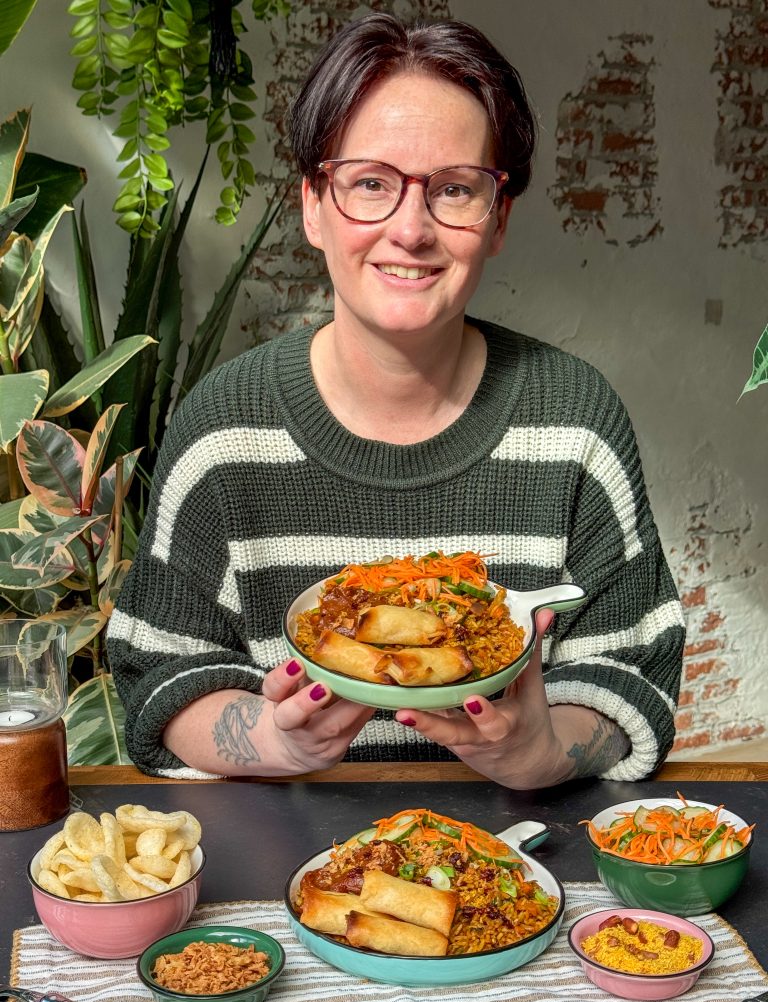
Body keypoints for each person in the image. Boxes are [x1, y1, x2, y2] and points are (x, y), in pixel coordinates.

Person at [107, 14, 684, 788]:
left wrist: (539, 750)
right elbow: (159, 674)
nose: (410, 230)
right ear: (314, 203)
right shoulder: (223, 427)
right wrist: (275, 743)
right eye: (371, 183)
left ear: (498, 217)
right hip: (283, 868)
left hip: (536, 861)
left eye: (453, 190)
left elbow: (633, 674)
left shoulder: (576, 420)